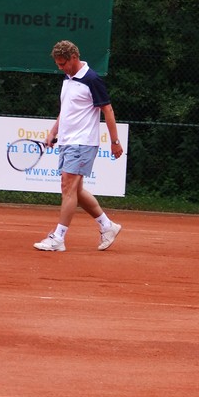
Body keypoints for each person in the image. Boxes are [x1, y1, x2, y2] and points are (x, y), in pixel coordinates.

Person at [34, 40, 124, 252]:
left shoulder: (92, 79)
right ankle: (107, 226)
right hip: (67, 142)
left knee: (68, 187)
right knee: (76, 190)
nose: (60, 68)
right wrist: (53, 132)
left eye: (62, 63)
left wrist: (115, 141)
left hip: (83, 142)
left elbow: (108, 110)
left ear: (73, 57)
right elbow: (66, 110)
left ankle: (58, 238)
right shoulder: (68, 79)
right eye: (58, 64)